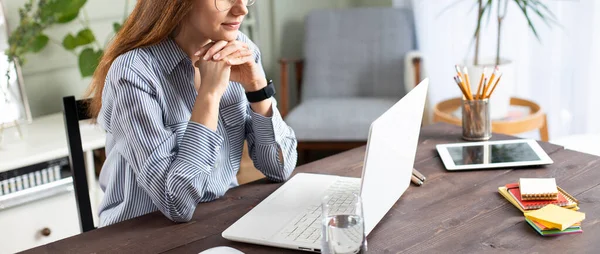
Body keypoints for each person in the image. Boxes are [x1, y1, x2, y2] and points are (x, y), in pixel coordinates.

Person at [86, 0, 298, 226]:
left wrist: (258, 88)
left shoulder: (239, 50)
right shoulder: (132, 74)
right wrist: (209, 94)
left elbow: (279, 168)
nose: (242, 9)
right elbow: (176, 203)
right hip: (139, 235)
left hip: (219, 221)